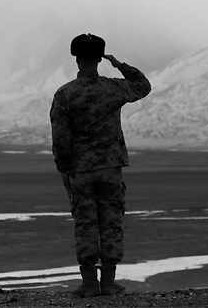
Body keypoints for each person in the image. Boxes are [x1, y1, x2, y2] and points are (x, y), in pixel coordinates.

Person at [49, 33, 151, 298]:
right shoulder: (114, 88)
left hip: (80, 170)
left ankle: (89, 283)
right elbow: (143, 85)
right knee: (111, 222)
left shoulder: (65, 93)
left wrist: (63, 169)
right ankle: (109, 282)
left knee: (85, 223)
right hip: (111, 168)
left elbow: (60, 137)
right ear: (99, 59)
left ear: (77, 59)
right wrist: (119, 64)